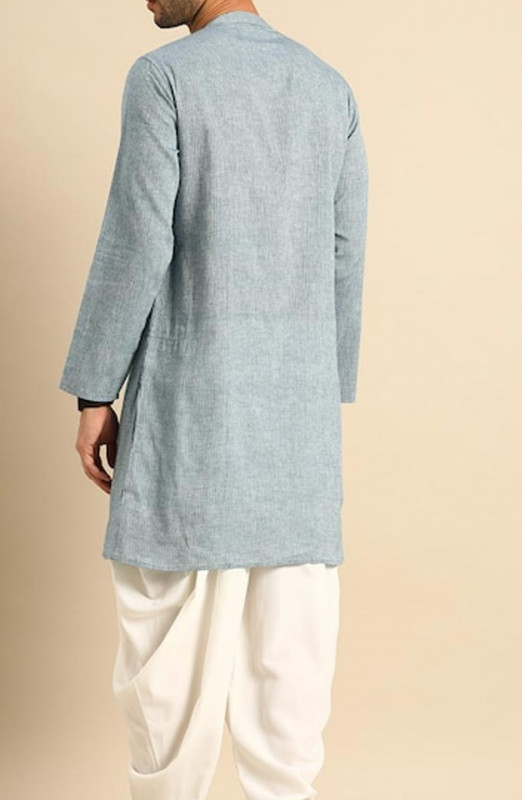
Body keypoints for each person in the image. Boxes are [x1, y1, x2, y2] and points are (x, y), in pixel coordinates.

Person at [58, 1, 368, 798]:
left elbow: (137, 240)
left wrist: (96, 388)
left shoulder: (165, 78)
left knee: (168, 688)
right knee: (288, 700)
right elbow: (345, 251)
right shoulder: (328, 88)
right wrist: (315, 392)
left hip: (191, 424)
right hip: (297, 444)